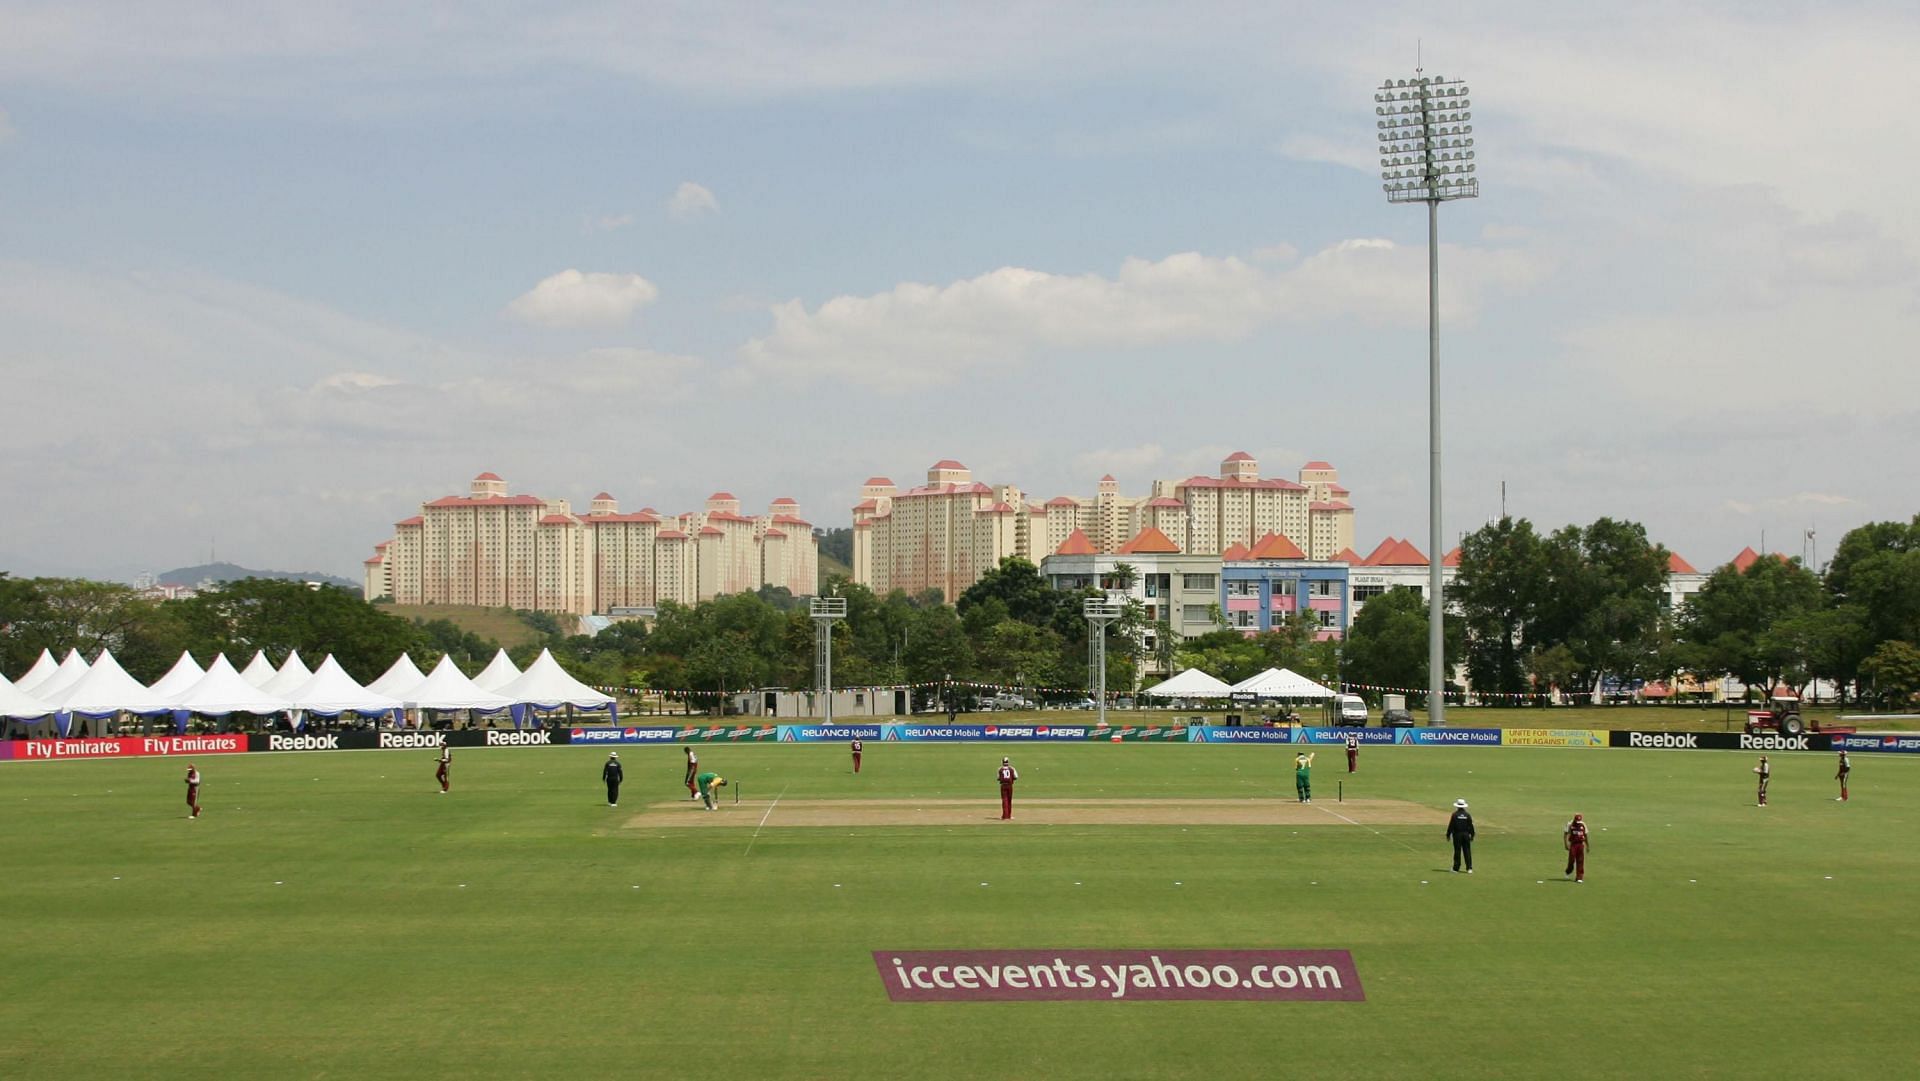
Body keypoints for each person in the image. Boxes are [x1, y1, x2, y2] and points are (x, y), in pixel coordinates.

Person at [1446, 798, 1474, 873]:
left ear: (1457, 806)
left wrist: (1448, 834)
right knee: (1467, 851)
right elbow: (1470, 826)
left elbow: (1451, 825)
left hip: (1457, 835)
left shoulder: (1455, 815)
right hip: (1466, 835)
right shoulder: (1467, 815)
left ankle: (1456, 868)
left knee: (1457, 851)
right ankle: (1469, 868)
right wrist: (1472, 834)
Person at [1563, 813, 1590, 883]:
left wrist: (1587, 845)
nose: (1578, 823)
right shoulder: (1570, 824)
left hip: (1581, 844)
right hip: (1573, 844)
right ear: (1574, 819)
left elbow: (1586, 835)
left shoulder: (1583, 824)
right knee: (1571, 859)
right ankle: (1568, 871)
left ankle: (1579, 877)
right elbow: (1565, 834)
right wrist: (1566, 844)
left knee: (1580, 860)